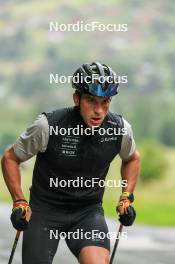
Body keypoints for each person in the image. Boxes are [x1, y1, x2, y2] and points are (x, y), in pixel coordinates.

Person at [1, 62, 140, 264]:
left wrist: (126, 196)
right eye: (91, 101)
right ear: (77, 99)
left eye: (105, 102)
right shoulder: (47, 126)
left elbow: (132, 158)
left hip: (87, 212)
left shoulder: (119, 129)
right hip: (44, 211)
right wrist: (19, 201)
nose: (99, 111)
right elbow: (10, 158)